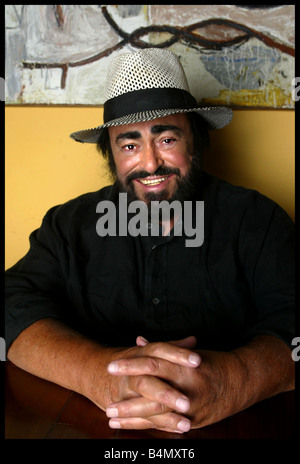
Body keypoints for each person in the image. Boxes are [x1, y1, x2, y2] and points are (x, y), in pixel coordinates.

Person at [5, 48, 295, 435]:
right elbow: (11, 303)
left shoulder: (258, 220)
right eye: (129, 144)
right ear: (110, 154)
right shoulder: (68, 226)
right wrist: (101, 376)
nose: (150, 162)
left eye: (167, 138)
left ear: (196, 141)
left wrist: (231, 380)